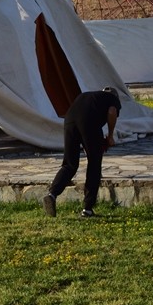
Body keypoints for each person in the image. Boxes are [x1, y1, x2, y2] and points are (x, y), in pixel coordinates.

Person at [42, 87, 121, 218]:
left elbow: (81, 115)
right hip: (89, 122)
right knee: (94, 164)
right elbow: (112, 112)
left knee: (69, 164)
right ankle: (87, 209)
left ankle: (52, 194)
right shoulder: (112, 98)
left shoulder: (88, 96)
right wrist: (111, 136)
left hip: (69, 121)